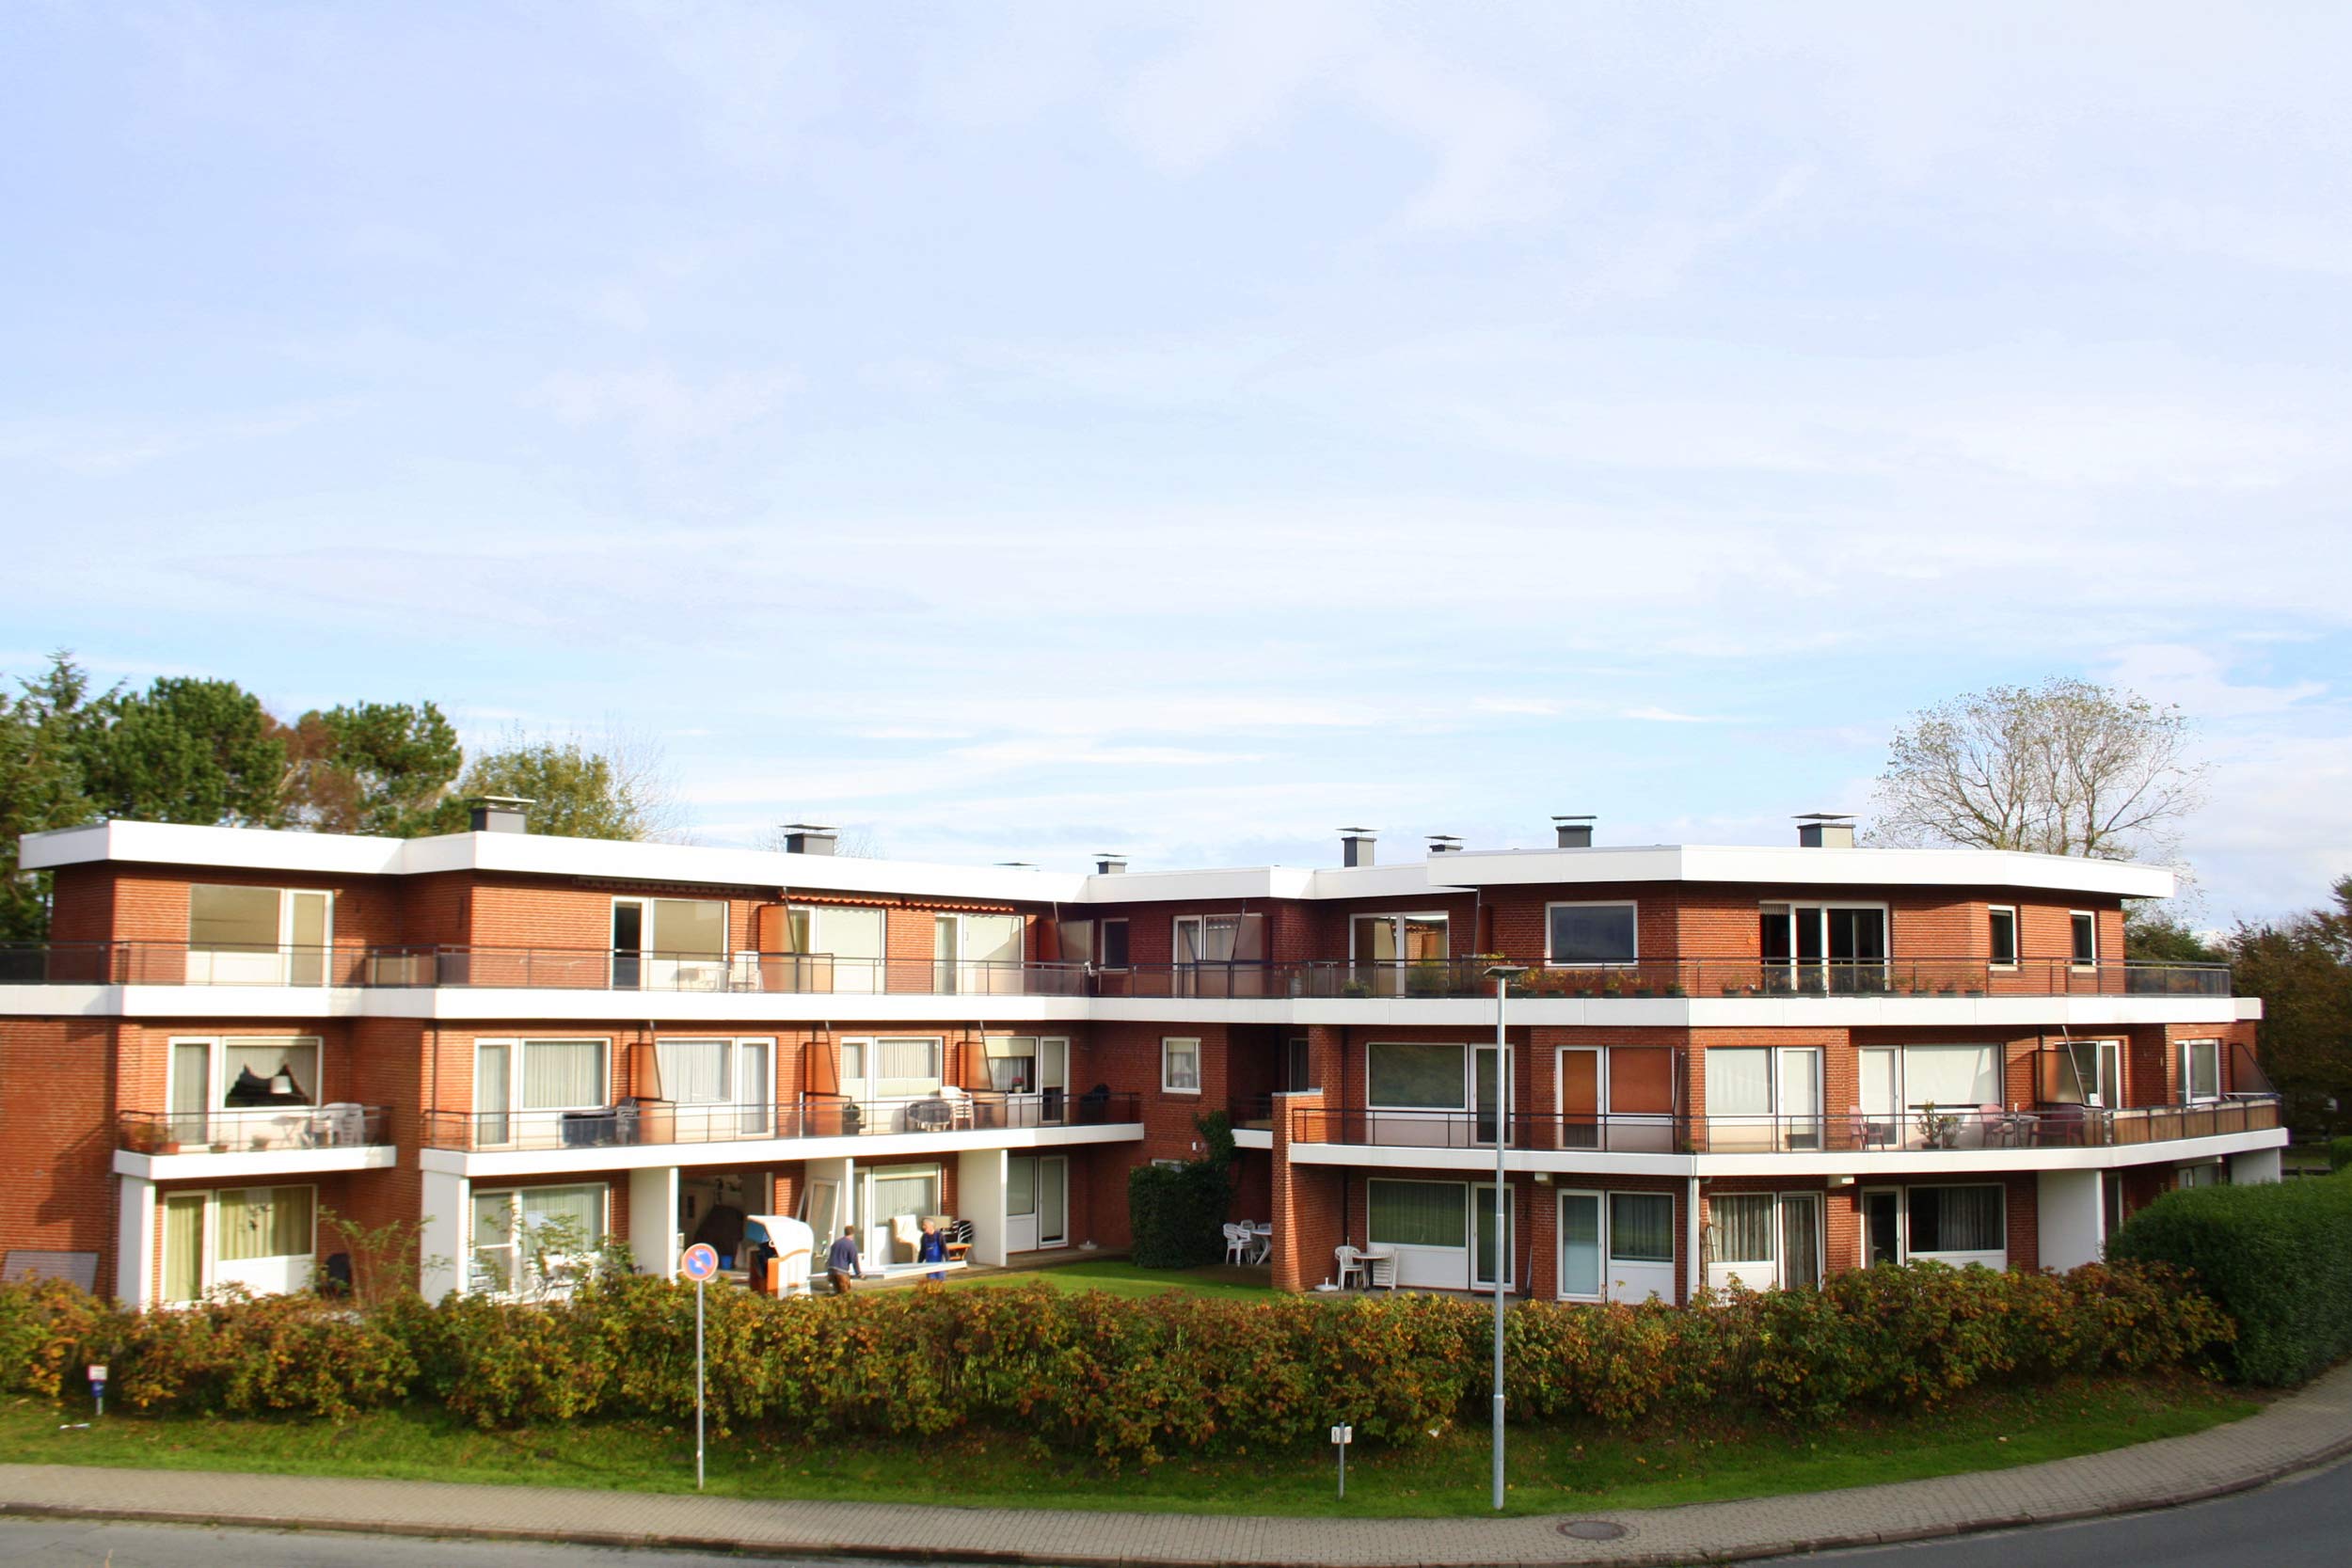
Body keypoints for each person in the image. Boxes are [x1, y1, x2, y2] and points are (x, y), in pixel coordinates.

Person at [824, 1224, 863, 1295]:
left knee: (837, 1293)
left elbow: (830, 1258)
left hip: (831, 1271)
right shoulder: (851, 1245)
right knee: (845, 1294)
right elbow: (855, 1261)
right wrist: (859, 1273)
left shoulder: (836, 1243)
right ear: (853, 1234)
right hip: (841, 1272)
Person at [917, 1217, 948, 1282]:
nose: (923, 1227)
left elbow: (945, 1249)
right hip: (929, 1266)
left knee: (940, 1282)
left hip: (939, 1265)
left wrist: (948, 1262)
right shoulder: (924, 1237)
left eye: (925, 1226)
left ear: (931, 1226)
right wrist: (919, 1263)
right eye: (923, 1226)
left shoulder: (939, 1236)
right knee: (931, 1283)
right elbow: (922, 1251)